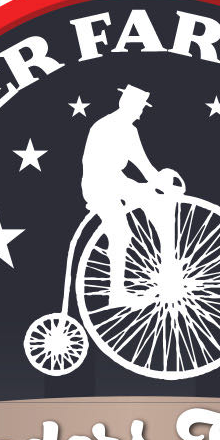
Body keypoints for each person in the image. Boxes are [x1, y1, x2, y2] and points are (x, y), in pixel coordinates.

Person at [81, 85, 181, 308]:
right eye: (139, 108)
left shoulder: (130, 130)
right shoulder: (104, 127)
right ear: (128, 105)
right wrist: (149, 185)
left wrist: (163, 185)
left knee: (158, 204)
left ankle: (168, 270)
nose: (141, 113)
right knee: (120, 233)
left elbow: (145, 168)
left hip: (116, 180)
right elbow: (95, 168)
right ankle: (117, 293)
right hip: (99, 183)